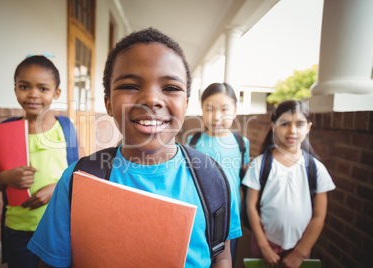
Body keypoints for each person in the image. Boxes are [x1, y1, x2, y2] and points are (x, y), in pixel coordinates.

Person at [27, 28, 241, 268]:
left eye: (170, 87)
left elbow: (221, 256)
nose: (151, 99)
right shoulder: (78, 180)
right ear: (108, 103)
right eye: (130, 86)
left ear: (186, 104)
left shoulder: (213, 180)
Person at [0, 55, 82, 268]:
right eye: (24, 86)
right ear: (15, 89)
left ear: (56, 93)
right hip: (19, 228)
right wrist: (5, 177)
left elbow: (81, 175)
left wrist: (56, 188)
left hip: (59, 227)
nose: (33, 94)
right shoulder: (5, 132)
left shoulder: (66, 129)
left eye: (43, 88)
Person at [242, 100, 335, 268]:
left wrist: (300, 252)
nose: (292, 130)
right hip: (264, 244)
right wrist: (263, 245)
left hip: (300, 247)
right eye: (284, 124)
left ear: (308, 128)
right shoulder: (259, 165)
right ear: (273, 125)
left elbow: (319, 216)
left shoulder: (317, 169)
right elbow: (251, 207)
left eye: (299, 124)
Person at [186, 82, 250, 264]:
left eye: (224, 109)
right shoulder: (194, 141)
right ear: (202, 111)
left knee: (226, 258)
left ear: (235, 110)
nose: (216, 117)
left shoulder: (241, 143)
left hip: (231, 219)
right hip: (201, 216)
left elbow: (240, 178)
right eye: (209, 109)